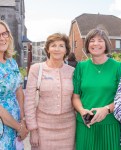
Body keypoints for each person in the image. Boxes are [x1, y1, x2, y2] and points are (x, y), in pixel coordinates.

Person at [72, 28, 121, 150]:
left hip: (110, 125)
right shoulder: (81, 67)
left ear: (106, 44)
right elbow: (75, 97)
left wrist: (107, 109)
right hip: (86, 125)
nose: (96, 44)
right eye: (92, 40)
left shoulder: (118, 67)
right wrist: (82, 111)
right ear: (87, 45)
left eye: (100, 40)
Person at [24, 33, 76, 150]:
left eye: (61, 46)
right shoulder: (37, 69)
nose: (57, 49)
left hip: (68, 128)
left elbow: (77, 98)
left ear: (66, 50)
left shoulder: (72, 71)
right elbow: (29, 102)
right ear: (48, 49)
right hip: (43, 127)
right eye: (53, 45)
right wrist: (33, 130)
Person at [0, 20, 28, 149]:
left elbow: (18, 90)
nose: (2, 38)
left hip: (16, 122)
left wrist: (22, 119)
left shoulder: (11, 62)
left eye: (4, 34)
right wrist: (19, 128)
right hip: (2, 125)